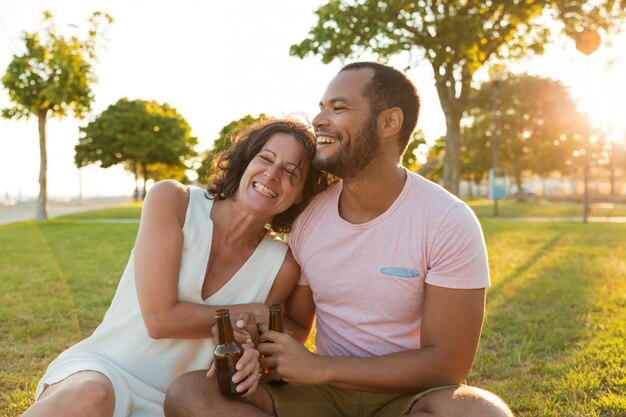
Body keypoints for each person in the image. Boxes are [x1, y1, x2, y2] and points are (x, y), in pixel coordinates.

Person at [164, 62, 514, 417]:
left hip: (409, 395)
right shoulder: (310, 218)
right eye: (321, 107)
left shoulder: (447, 220)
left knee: (482, 413)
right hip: (322, 396)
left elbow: (447, 365)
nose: (318, 119)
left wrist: (321, 368)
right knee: (191, 393)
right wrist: (254, 335)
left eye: (338, 108)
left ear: (389, 123)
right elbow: (298, 324)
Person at [22, 118, 331, 417]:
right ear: (246, 160)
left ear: (302, 194)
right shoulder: (175, 201)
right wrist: (252, 312)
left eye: (291, 172)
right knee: (89, 395)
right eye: (265, 158)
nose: (272, 174)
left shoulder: (282, 264)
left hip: (181, 402)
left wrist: (249, 347)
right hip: (106, 370)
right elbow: (160, 319)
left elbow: (247, 336)